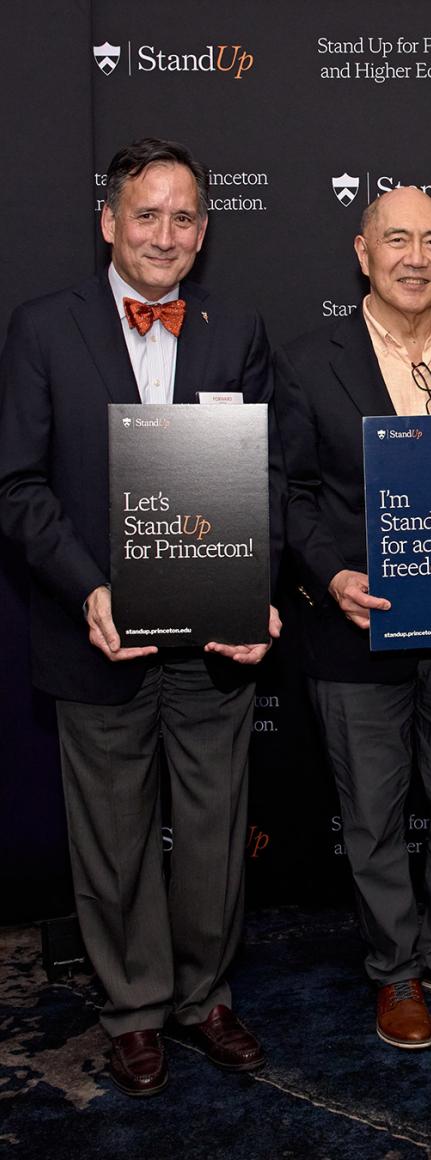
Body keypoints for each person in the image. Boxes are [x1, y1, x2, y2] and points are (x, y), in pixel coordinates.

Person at [0, 138, 281, 1096]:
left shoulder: (236, 332)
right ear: (110, 221)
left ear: (204, 234)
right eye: (147, 214)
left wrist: (255, 592)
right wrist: (89, 587)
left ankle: (203, 998)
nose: (166, 233)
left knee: (212, 831)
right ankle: (131, 1010)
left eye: (185, 217)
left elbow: (265, 476)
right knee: (114, 838)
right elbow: (20, 487)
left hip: (213, 641)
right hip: (98, 637)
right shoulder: (43, 328)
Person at [274, 187, 431, 1051]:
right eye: (398, 241)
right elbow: (292, 497)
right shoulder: (310, 360)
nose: (417, 257)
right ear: (362, 251)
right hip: (355, 630)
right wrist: (332, 575)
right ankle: (395, 972)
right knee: (372, 814)